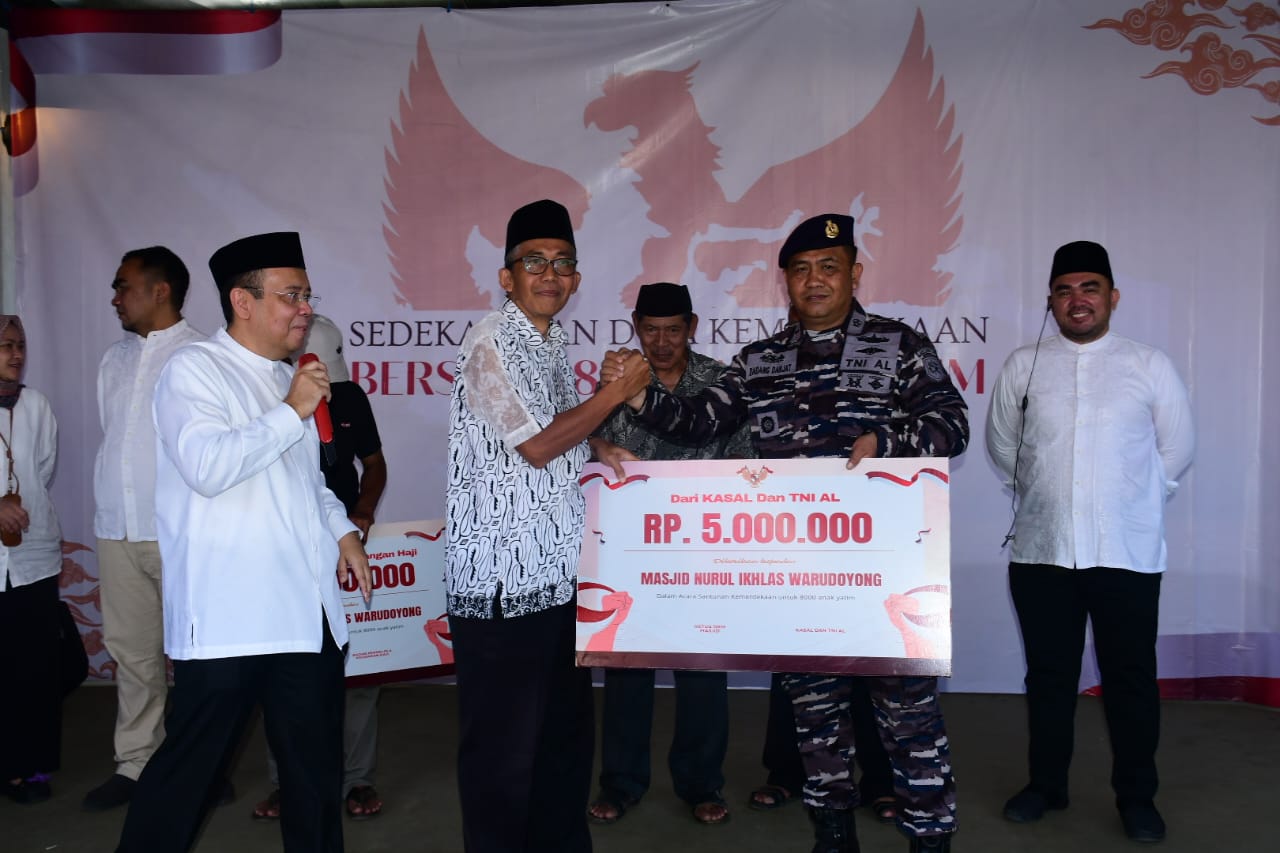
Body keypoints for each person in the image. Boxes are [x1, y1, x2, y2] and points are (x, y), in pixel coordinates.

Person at [602, 213, 967, 853]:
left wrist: (887, 440)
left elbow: (952, 423)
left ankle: (930, 838)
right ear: (786, 282)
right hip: (802, 580)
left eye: (829, 267)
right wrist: (636, 396)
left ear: (854, 273)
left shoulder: (900, 345)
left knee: (908, 717)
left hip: (889, 575)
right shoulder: (760, 361)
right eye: (800, 270)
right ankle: (832, 834)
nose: (814, 280)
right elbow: (698, 420)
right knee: (817, 721)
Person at [115, 232, 372, 853]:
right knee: (188, 776)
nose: (305, 309)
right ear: (243, 301)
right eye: (291, 296)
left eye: (307, 296)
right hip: (230, 620)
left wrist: (343, 531)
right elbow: (209, 467)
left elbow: (306, 482)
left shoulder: (287, 378)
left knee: (314, 779)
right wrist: (291, 411)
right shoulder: (194, 370)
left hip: (304, 618)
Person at [445, 199, 650, 853]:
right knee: (501, 762)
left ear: (576, 278)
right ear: (506, 277)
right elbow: (534, 444)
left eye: (562, 263)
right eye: (534, 262)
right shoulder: (489, 341)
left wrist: (599, 445)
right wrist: (613, 395)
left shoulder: (552, 343)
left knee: (562, 747)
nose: (550, 274)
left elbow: (554, 433)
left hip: (558, 580)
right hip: (502, 588)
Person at [986, 240, 1193, 844]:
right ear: (1050, 301)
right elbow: (1004, 447)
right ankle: (1046, 785)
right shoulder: (1023, 365)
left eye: (1090, 288)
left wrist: (1132, 501)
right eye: (1064, 290)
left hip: (1125, 555)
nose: (1077, 300)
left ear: (1113, 297)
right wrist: (1045, 494)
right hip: (1042, 551)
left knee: (1130, 680)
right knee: (1049, 678)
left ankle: (1137, 797)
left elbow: (1176, 451)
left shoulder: (1148, 364)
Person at [586, 282, 750, 828]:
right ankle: (620, 783)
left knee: (702, 670)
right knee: (626, 670)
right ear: (636, 326)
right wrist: (598, 446)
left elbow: (745, 460)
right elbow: (584, 439)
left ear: (692, 327)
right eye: (651, 330)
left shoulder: (721, 381)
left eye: (673, 330)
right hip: (630, 549)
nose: (661, 342)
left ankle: (702, 784)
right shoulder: (617, 380)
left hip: (704, 551)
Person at [84, 247, 208, 812]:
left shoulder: (201, 356)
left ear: (161, 291)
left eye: (123, 286)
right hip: (116, 526)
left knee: (199, 656)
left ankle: (200, 764)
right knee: (132, 654)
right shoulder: (114, 358)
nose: (115, 298)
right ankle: (136, 763)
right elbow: (115, 436)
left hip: (179, 532)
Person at [253, 313, 388, 821]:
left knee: (360, 666)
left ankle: (356, 779)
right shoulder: (266, 397)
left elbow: (374, 464)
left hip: (345, 544)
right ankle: (285, 782)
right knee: (284, 666)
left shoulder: (350, 399)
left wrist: (363, 512)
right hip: (284, 547)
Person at [0, 316, 65, 805]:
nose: (16, 354)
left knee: (33, 666)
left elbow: (42, 470)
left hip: (34, 557)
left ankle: (28, 766)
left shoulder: (37, 405)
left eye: (20, 344)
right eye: (5, 345)